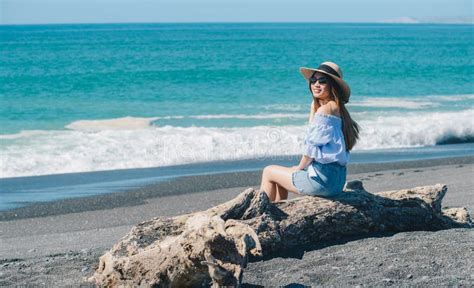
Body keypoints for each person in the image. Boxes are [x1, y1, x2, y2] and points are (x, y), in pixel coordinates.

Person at [259, 61, 360, 202]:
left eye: (322, 81)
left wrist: (299, 167)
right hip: (336, 182)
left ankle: (264, 213)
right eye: (313, 80)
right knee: (280, 178)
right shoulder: (339, 110)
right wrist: (313, 108)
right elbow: (315, 136)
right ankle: (277, 211)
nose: (316, 84)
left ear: (333, 86)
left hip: (321, 182)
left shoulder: (325, 110)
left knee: (269, 171)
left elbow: (311, 147)